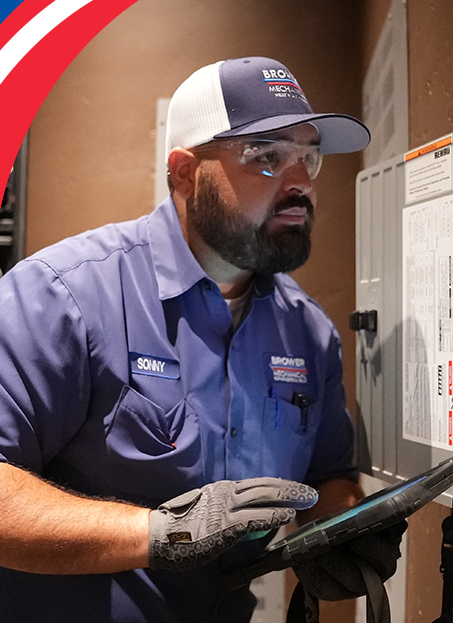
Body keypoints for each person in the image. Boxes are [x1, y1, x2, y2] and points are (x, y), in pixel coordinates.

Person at [0, 56, 401, 623]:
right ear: (186, 173)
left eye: (308, 157)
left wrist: (341, 532)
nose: (300, 183)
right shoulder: (63, 295)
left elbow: (326, 477)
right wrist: (158, 535)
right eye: (265, 156)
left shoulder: (307, 332)